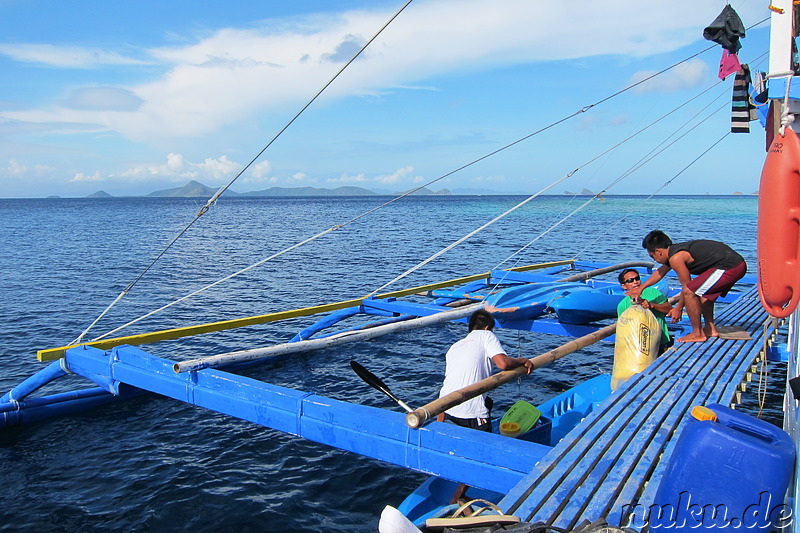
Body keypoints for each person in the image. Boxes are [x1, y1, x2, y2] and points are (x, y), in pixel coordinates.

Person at [631, 230, 747, 343]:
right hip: (734, 264)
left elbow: (687, 287)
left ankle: (697, 333)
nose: (655, 260)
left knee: (690, 292)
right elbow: (660, 272)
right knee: (703, 294)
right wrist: (642, 287)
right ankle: (710, 329)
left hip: (731, 266)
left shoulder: (676, 258)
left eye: (652, 256)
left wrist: (678, 308)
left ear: (658, 251)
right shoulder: (674, 253)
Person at [438, 308, 533, 432]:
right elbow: (503, 364)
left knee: (488, 401)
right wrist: (521, 361)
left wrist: (440, 419)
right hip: (470, 412)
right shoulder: (486, 335)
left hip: (446, 406)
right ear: (487, 327)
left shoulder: (454, 347)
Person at [616, 268, 673, 354]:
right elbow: (623, 329)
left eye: (637, 278)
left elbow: (669, 309)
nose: (635, 282)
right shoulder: (622, 305)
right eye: (631, 280)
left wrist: (652, 305)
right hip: (639, 348)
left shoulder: (652, 292)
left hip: (660, 343)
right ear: (624, 286)